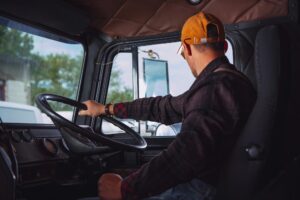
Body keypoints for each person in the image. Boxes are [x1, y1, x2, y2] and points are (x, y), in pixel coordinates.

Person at [79, 11, 256, 200]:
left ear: (187, 48)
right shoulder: (222, 84)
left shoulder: (214, 89)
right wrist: (106, 109)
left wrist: (125, 190)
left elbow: (184, 155)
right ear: (225, 46)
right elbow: (162, 107)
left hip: (199, 190)